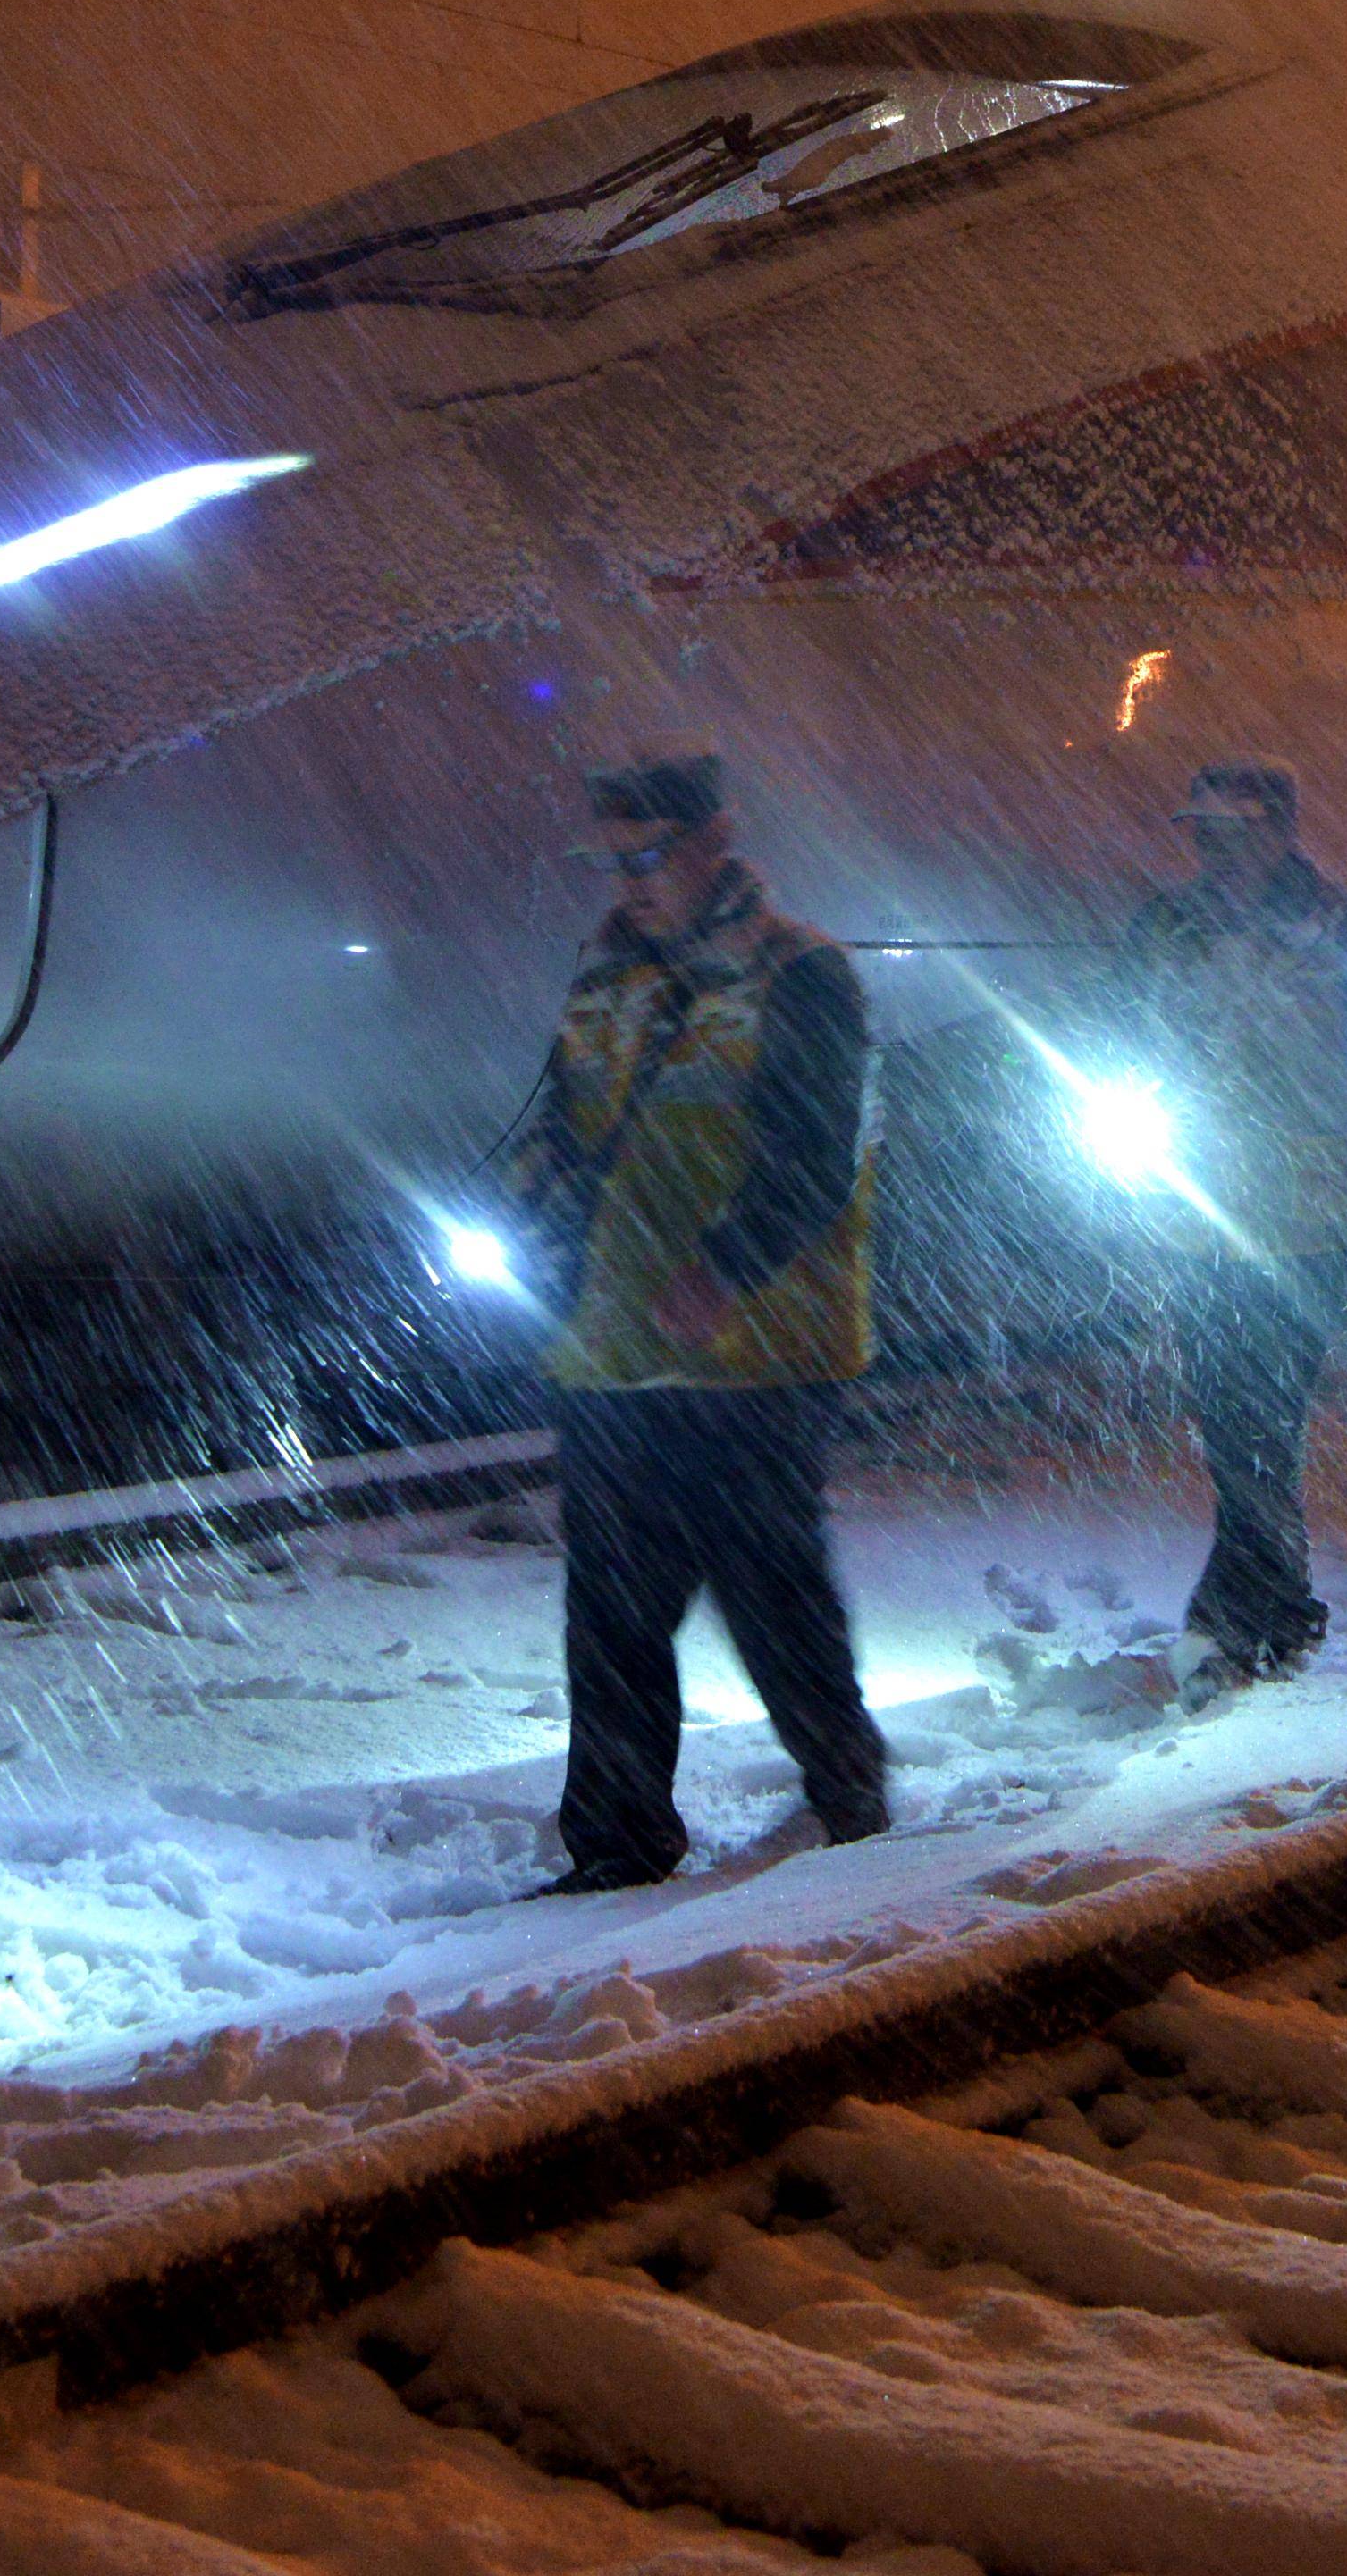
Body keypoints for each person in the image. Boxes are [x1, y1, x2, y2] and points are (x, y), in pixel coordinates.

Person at [493, 743, 889, 1896]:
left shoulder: (801, 975)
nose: (630, 881)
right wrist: (523, 1198)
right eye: (612, 860)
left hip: (758, 1347)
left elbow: (819, 1159)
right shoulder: (607, 976)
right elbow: (566, 1124)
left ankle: (846, 1786)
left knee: (770, 1588)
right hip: (615, 1348)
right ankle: (616, 1843)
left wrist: (727, 1267)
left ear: (717, 841)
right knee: (612, 1607)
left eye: (651, 855)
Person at [1120, 758, 1347, 1682]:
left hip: (1311, 1221)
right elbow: (1122, 1040)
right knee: (1231, 1417)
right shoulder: (1161, 926)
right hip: (1197, 1218)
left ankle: (1243, 1616)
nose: (1213, 850)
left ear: (1279, 830)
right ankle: (1274, 1606)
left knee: (1262, 1415)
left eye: (1231, 830)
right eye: (1201, 831)